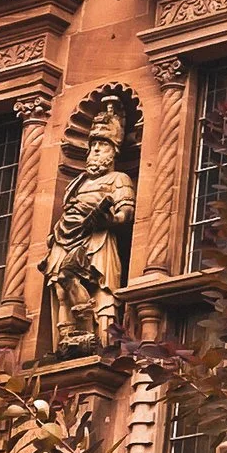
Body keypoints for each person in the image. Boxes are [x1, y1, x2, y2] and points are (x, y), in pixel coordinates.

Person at [43, 107, 137, 354]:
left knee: (92, 283)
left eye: (103, 145)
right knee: (61, 288)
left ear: (113, 151)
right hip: (66, 236)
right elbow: (67, 209)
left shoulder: (119, 179)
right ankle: (67, 336)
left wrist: (106, 219)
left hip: (97, 238)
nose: (95, 150)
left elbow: (126, 213)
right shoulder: (77, 182)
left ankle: (93, 331)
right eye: (93, 144)